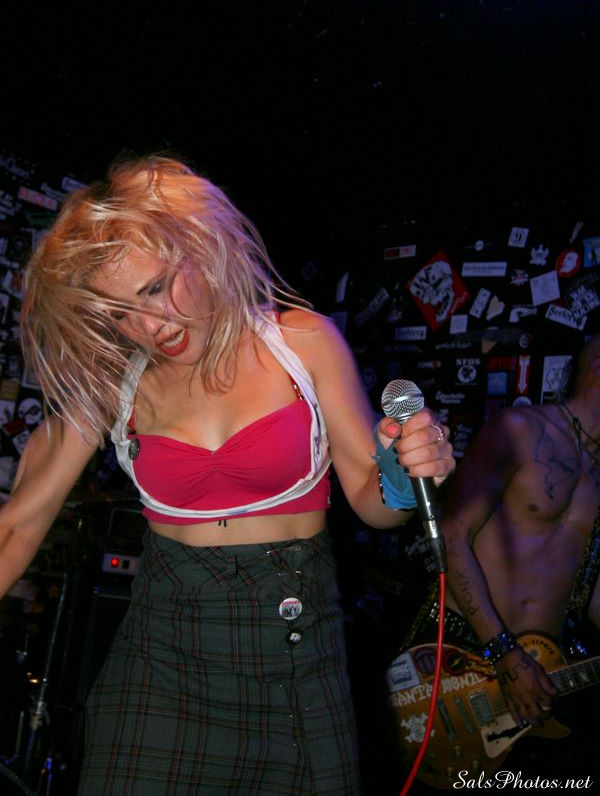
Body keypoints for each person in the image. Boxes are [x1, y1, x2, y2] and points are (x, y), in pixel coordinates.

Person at [0, 153, 455, 796]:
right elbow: (16, 526)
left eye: (156, 288)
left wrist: (405, 473)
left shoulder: (303, 343)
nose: (149, 326)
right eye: (121, 313)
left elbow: (374, 504)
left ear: (201, 247)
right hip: (162, 664)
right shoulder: (116, 381)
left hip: (297, 660)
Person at [399, 329, 600, 785]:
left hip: (541, 678)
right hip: (466, 657)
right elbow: (451, 535)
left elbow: (591, 594)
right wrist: (504, 654)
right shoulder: (521, 429)